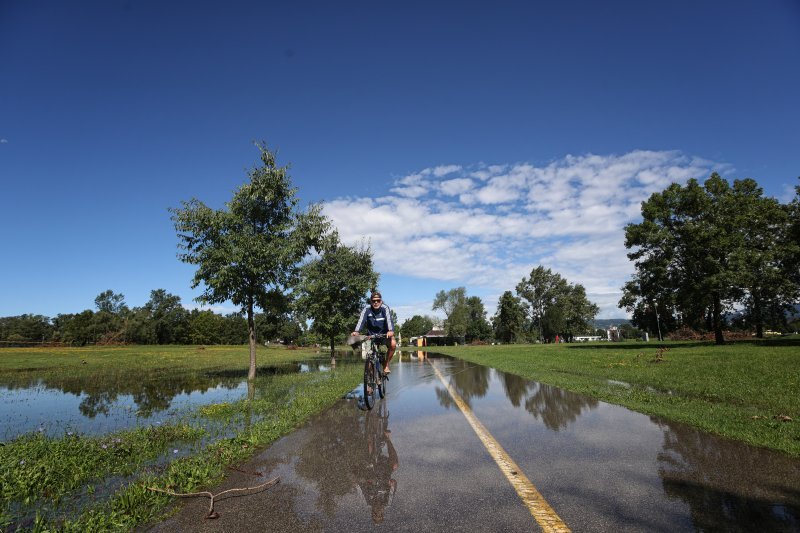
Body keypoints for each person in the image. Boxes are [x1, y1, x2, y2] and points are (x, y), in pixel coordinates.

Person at [352, 291, 396, 374]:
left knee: (393, 344)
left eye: (378, 300)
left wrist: (390, 331)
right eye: (374, 301)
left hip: (384, 335)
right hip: (370, 336)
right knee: (369, 360)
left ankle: (386, 364)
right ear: (371, 301)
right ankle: (370, 381)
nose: (376, 302)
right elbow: (361, 320)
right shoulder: (366, 309)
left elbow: (389, 320)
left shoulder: (385, 308)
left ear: (381, 301)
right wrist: (356, 331)